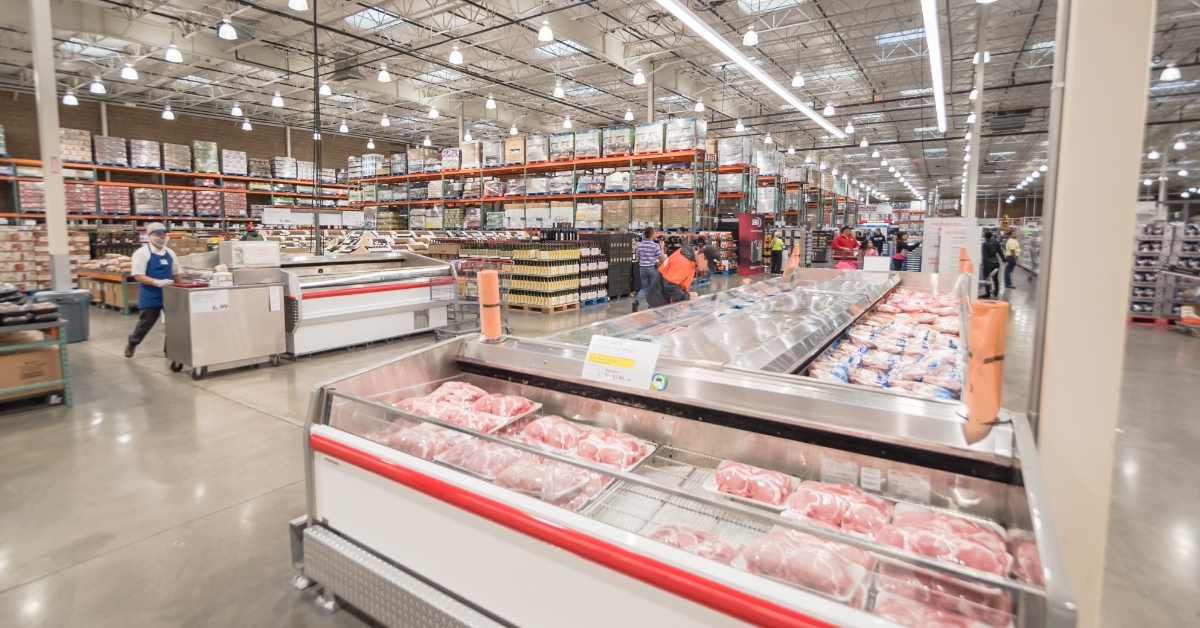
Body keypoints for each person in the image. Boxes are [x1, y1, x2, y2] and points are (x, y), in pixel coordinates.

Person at [125, 223, 180, 358]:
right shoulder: (142, 253)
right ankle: (133, 341)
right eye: (158, 234)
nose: (161, 237)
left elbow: (176, 273)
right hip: (151, 294)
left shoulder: (170, 253)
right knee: (146, 323)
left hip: (169, 294)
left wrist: (182, 289)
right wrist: (157, 282)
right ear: (150, 236)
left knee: (174, 324)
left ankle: (170, 351)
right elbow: (138, 275)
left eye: (163, 234)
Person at [632, 227, 664, 312]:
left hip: (642, 269)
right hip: (652, 268)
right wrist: (662, 248)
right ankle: (651, 306)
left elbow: (637, 259)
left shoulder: (640, 245)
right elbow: (661, 259)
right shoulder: (655, 245)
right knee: (653, 288)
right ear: (652, 234)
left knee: (644, 287)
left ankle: (637, 301)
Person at [981, 232, 1004, 298]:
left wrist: (983, 263)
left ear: (985, 237)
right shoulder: (996, 243)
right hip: (996, 262)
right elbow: (1000, 252)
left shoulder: (984, 244)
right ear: (991, 236)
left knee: (987, 278)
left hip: (988, 263)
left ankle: (987, 293)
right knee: (995, 278)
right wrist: (1004, 260)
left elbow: (984, 255)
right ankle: (996, 292)